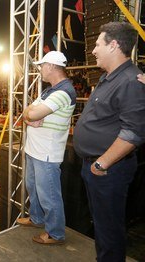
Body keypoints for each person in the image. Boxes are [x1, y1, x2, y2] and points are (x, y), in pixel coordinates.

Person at [73, 22, 145, 261]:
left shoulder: (130, 81)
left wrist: (102, 163)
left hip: (108, 170)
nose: (93, 50)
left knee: (109, 230)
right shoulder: (109, 77)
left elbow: (133, 133)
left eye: (97, 44)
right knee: (102, 227)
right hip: (96, 167)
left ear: (113, 45)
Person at [16, 51, 76, 245]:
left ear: (51, 66)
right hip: (36, 150)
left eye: (42, 65)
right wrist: (29, 115)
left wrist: (30, 115)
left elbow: (32, 115)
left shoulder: (63, 91)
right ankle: (37, 218)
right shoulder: (49, 90)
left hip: (47, 153)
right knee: (33, 188)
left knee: (49, 196)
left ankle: (55, 233)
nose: (40, 69)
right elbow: (27, 112)